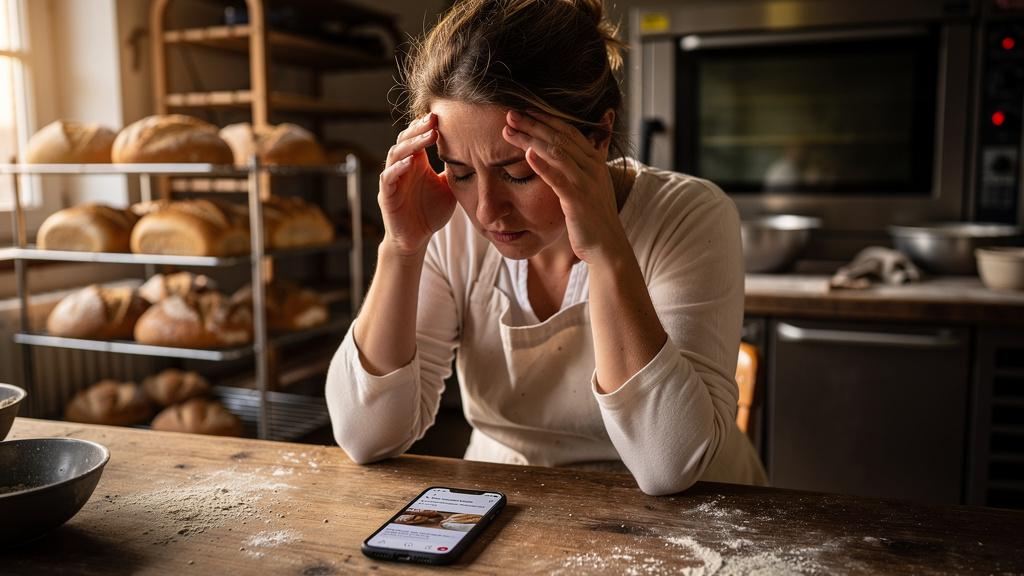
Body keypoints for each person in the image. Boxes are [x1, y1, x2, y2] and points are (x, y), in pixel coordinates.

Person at [326, 0, 767, 496]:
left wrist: (606, 249)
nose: (488, 210)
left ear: (598, 136)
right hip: (510, 498)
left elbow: (668, 464)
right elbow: (365, 436)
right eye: (461, 171)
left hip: (691, 517)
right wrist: (401, 248)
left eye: (518, 172)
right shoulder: (446, 219)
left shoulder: (689, 215)